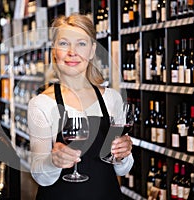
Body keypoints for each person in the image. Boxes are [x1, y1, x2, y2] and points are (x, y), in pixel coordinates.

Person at [27, 13, 134, 200]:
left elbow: (123, 170)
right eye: (64, 43)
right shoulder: (41, 104)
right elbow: (40, 176)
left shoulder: (112, 99)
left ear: (92, 51)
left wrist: (123, 155)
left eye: (81, 44)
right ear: (54, 51)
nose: (72, 52)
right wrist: (53, 161)